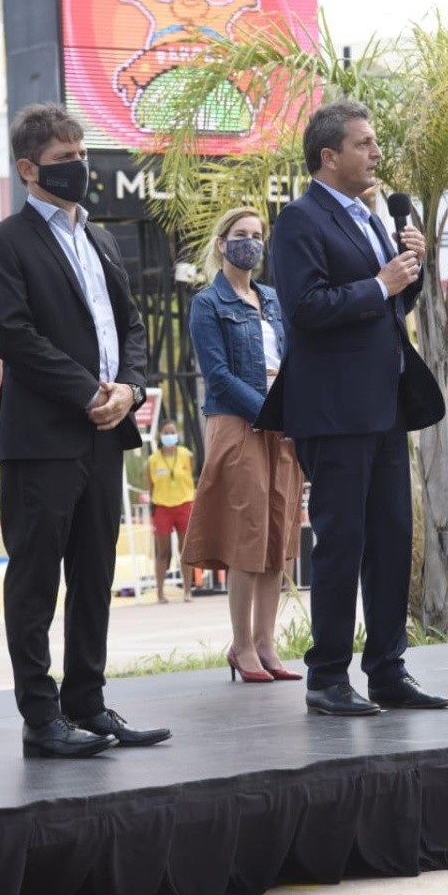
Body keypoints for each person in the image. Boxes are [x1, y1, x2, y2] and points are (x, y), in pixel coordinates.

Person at [0, 102, 170, 758]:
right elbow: (14, 337)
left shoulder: (101, 239)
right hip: (43, 437)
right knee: (35, 580)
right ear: (29, 169)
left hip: (106, 432)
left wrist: (130, 389)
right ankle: (41, 718)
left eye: (82, 156)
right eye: (64, 160)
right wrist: (89, 392)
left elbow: (131, 326)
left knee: (95, 572)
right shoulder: (2, 243)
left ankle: (87, 702)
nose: (79, 168)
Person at [257, 100, 448, 715]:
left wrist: (410, 272)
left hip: (385, 406)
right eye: (363, 143)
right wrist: (380, 283)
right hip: (335, 412)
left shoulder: (370, 218)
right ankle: (327, 678)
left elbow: (389, 309)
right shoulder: (300, 220)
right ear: (329, 156)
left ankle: (387, 670)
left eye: (375, 143)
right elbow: (305, 308)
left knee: (391, 541)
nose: (375, 153)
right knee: (342, 543)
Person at [181, 207, 303, 683]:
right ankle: (242, 645)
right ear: (221, 243)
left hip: (283, 424)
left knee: (278, 539)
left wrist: (293, 410)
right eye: (240, 234)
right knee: (248, 536)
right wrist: (268, 410)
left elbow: (293, 361)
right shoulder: (207, 304)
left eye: (256, 235)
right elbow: (218, 376)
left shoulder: (273, 299)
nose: (250, 242)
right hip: (239, 422)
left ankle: (267, 643)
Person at [147, 419, 195, 603]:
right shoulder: (153, 460)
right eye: (166, 432)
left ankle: (187, 591)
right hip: (162, 507)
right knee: (163, 552)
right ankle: (160, 593)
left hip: (184, 505)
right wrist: (153, 509)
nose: (169, 435)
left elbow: (192, 475)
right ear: (160, 435)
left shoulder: (186, 455)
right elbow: (150, 486)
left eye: (172, 432)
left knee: (185, 551)